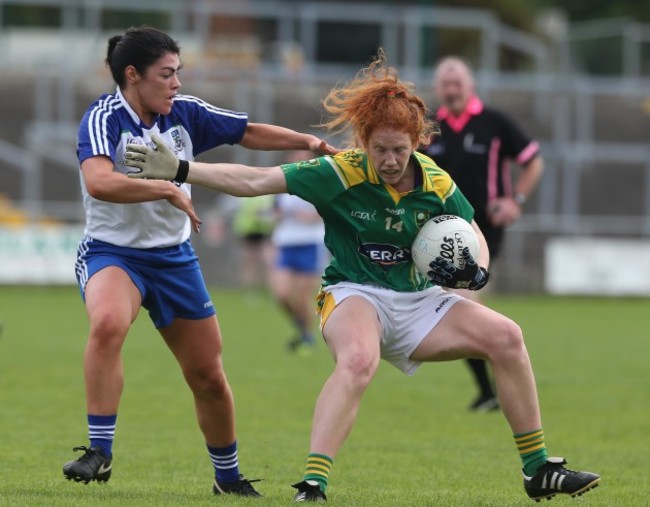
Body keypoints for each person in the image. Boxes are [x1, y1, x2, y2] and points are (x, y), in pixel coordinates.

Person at [124, 49, 600, 503]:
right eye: (379, 150)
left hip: (419, 302)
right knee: (357, 361)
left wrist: (476, 269)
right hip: (354, 294)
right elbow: (255, 181)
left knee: (508, 337)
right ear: (363, 142)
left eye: (399, 150)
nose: (390, 161)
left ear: (416, 144)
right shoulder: (338, 172)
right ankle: (313, 483)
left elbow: (472, 231)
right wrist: (184, 168)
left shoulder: (436, 181)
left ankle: (538, 470)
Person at [63, 25, 336, 497]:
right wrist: (166, 186)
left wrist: (307, 142)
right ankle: (99, 451)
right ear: (133, 75)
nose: (177, 84)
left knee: (208, 376)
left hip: (173, 259)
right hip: (113, 252)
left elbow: (246, 132)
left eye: (178, 73)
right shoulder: (104, 117)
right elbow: (99, 182)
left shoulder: (184, 114)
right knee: (107, 323)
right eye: (167, 74)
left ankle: (227, 479)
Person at [419, 56, 545, 413]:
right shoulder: (429, 127)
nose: (452, 87)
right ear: (438, 87)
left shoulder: (494, 122)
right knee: (461, 301)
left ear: (471, 84)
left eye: (457, 80)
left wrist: (514, 200)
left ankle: (495, 373)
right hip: (439, 232)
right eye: (445, 81)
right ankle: (493, 379)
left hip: (484, 229)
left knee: (461, 297)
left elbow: (533, 159)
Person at [270, 150, 327, 354]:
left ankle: (307, 336)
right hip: (285, 243)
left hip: (310, 243)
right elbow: (275, 211)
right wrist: (275, 215)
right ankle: (302, 329)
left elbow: (325, 213)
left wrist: (306, 216)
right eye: (295, 161)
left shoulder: (320, 186)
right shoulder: (282, 185)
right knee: (282, 294)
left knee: (303, 296)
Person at [231, 194, 276, 300]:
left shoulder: (269, 195)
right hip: (250, 231)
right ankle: (251, 291)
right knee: (250, 262)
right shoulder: (245, 195)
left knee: (268, 261)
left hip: (264, 231)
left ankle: (269, 289)